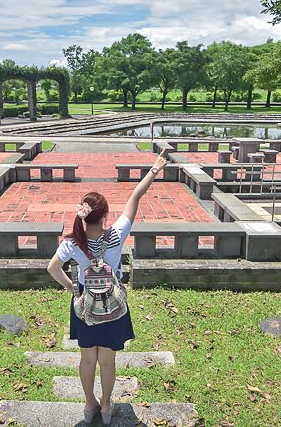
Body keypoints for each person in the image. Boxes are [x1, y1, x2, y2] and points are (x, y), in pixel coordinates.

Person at [46, 152, 168, 425]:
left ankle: (89, 406)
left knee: (88, 359)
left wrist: (74, 290)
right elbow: (134, 199)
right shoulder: (116, 235)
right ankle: (106, 405)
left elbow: (52, 269)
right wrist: (154, 169)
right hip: (113, 306)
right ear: (103, 220)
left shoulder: (72, 242)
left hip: (86, 306)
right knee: (108, 361)